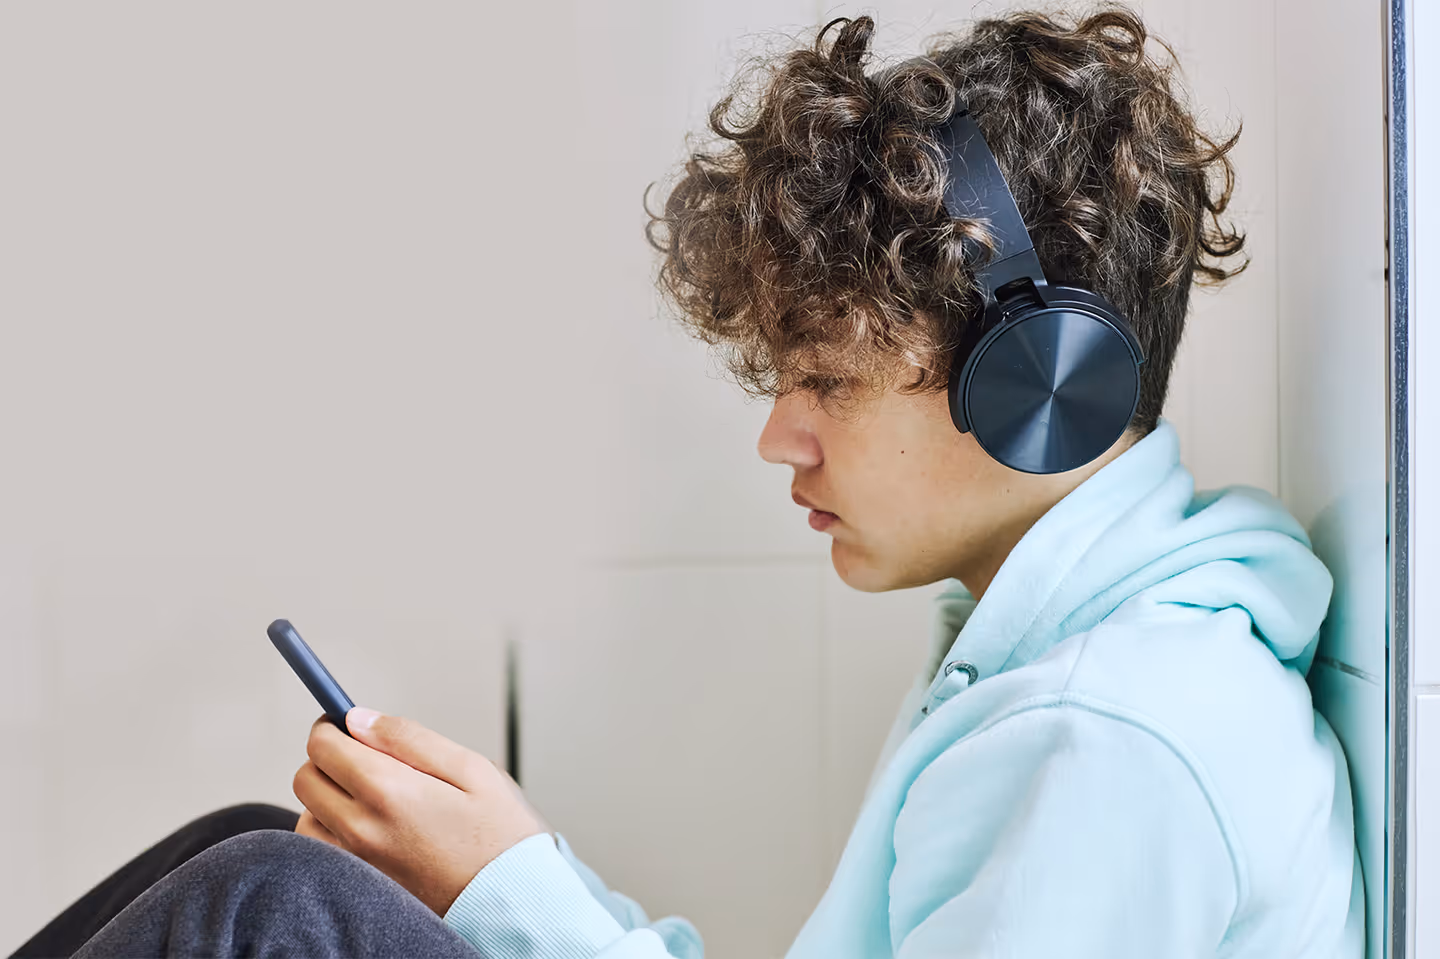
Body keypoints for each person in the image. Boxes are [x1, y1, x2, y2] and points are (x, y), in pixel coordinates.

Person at [11, 5, 1364, 958]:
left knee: (271, 907)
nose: (782, 437)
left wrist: (510, 892)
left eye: (825, 380)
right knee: (264, 851)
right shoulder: (1073, 673)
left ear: (1035, 379)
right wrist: (507, 881)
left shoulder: (1106, 737)